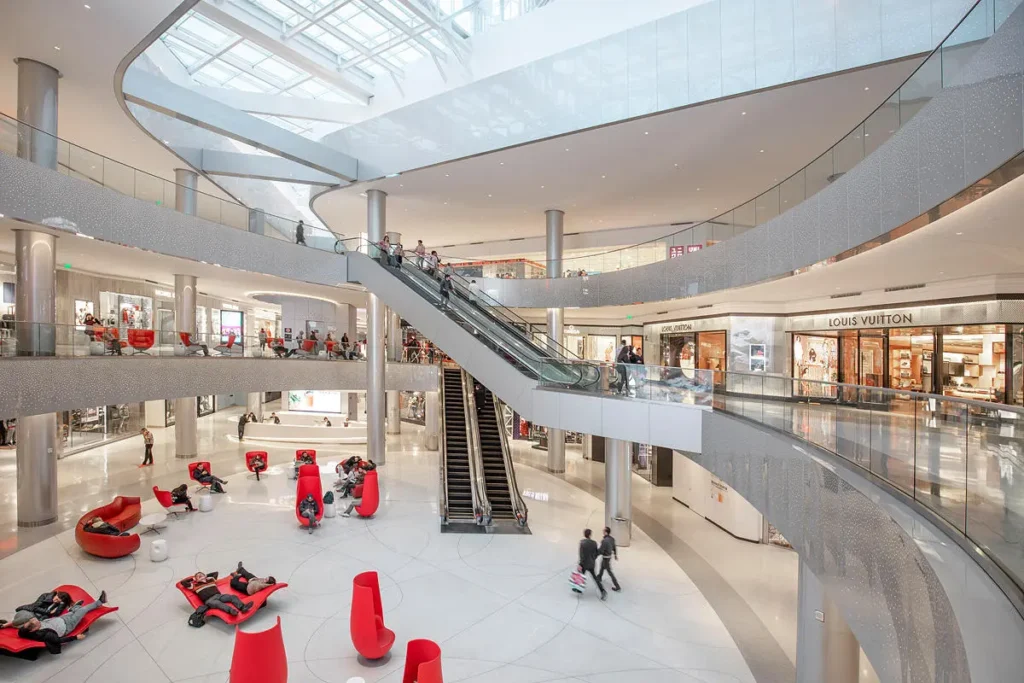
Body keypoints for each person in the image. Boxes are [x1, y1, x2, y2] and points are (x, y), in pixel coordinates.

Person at [17, 591, 109, 654]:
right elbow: (58, 640)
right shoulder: (45, 634)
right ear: (35, 629)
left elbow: (20, 630)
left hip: (60, 619)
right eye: (37, 623)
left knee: (73, 612)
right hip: (67, 625)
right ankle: (100, 601)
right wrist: (76, 637)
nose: (37, 620)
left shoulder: (26, 629)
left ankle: (75, 608)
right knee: (82, 611)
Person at [182, 572, 253, 617]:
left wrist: (206, 576)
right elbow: (183, 582)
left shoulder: (211, 580)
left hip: (219, 596)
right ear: (196, 579)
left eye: (201, 574)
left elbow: (216, 573)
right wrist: (192, 579)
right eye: (198, 576)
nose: (200, 575)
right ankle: (231, 611)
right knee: (219, 604)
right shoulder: (195, 585)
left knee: (232, 597)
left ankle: (242, 607)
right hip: (209, 600)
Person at [1, 591, 72, 629]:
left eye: (58, 601)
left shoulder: (59, 604)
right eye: (56, 599)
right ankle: (5, 625)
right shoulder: (45, 596)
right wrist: (49, 612)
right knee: (30, 618)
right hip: (28, 611)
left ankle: (10, 624)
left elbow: (56, 614)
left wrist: (62, 604)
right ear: (56, 594)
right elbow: (35, 607)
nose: (55, 601)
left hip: (37, 618)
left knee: (27, 626)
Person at [578, 529, 606, 600]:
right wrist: (593, 558)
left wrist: (580, 564)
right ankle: (602, 590)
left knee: (581, 576)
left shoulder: (582, 543)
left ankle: (579, 589)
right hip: (591, 563)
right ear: (590, 535)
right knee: (595, 578)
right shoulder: (594, 543)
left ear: (584, 534)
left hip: (584, 564)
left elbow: (582, 556)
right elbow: (596, 554)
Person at [597, 526, 621, 592]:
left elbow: (601, 551)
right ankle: (599, 577)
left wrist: (595, 554)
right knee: (602, 566)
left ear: (606, 532)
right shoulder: (612, 539)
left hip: (605, 558)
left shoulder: (604, 541)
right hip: (609, 557)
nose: (602, 531)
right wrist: (615, 555)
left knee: (609, 571)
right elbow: (614, 547)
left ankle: (617, 586)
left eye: (603, 531)